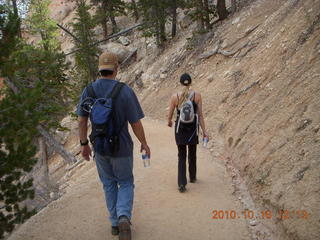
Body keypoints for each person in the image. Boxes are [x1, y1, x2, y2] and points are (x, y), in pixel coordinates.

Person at [76, 52, 151, 240]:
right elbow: (136, 123)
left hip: (100, 147)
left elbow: (81, 121)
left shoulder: (89, 91)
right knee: (125, 182)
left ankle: (114, 224)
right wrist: (144, 143)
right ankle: (123, 215)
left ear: (99, 69)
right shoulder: (124, 91)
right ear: (117, 68)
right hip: (122, 147)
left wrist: (84, 144)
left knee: (109, 183)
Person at [167, 73, 208, 193]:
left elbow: (169, 114)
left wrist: (169, 121)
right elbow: (200, 115)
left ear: (180, 83)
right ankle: (193, 176)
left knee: (181, 155)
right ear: (190, 83)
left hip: (180, 129)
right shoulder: (197, 95)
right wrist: (204, 131)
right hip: (193, 129)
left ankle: (181, 183)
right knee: (192, 152)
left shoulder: (175, 97)